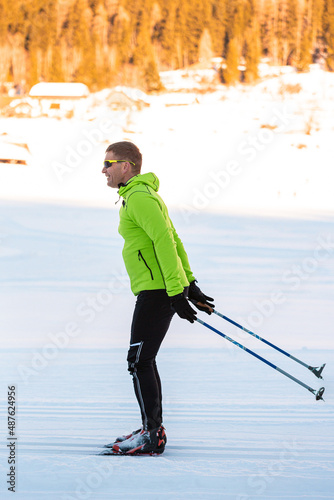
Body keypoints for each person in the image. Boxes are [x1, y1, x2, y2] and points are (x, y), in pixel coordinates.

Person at [102, 141, 214, 455]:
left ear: (125, 166)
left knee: (139, 361)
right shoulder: (142, 195)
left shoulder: (138, 197)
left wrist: (178, 292)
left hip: (156, 290)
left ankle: (152, 434)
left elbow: (165, 240)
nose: (103, 170)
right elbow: (173, 238)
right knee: (143, 360)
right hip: (159, 287)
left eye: (108, 163)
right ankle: (151, 427)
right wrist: (189, 284)